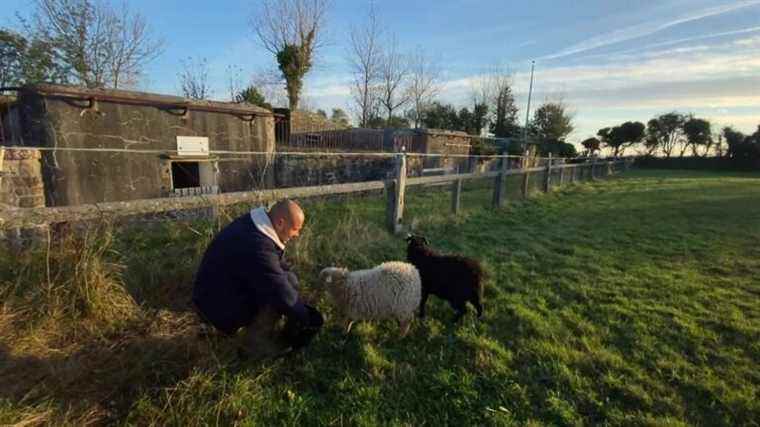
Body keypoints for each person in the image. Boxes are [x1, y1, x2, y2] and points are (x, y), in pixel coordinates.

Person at [192, 199, 321, 358]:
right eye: (295, 229)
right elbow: (279, 289)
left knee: (289, 280)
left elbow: (275, 267)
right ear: (281, 223)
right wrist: (304, 317)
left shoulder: (255, 226)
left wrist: (295, 301)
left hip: (216, 290)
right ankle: (254, 345)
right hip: (216, 306)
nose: (297, 235)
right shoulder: (259, 245)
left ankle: (248, 331)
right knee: (278, 294)